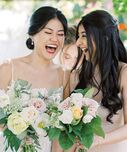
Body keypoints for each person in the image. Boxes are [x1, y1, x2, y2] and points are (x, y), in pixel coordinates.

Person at [70, 10, 127, 152]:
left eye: (83, 36)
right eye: (78, 36)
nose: (78, 43)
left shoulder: (126, 73)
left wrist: (96, 140)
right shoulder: (76, 76)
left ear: (104, 37)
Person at [0, 6, 68, 152]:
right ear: (32, 34)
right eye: (48, 32)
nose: (55, 39)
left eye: (60, 34)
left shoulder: (64, 75)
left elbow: (61, 132)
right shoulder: (8, 68)